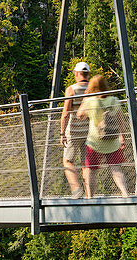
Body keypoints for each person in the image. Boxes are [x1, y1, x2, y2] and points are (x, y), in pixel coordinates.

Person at [76, 74, 129, 198]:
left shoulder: (90, 102)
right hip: (112, 141)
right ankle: (125, 193)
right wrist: (122, 137)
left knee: (91, 170)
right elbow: (121, 120)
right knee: (116, 169)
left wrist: (85, 98)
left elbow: (80, 115)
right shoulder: (114, 100)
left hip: (95, 142)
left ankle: (90, 196)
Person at [60, 61, 91, 197]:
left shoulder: (71, 89)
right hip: (89, 131)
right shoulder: (93, 88)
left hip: (73, 131)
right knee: (86, 163)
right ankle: (89, 194)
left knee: (67, 161)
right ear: (88, 74)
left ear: (77, 74)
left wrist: (62, 133)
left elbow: (66, 113)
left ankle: (76, 189)